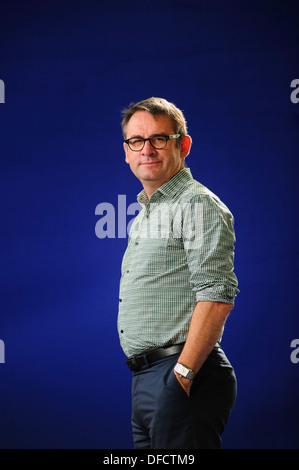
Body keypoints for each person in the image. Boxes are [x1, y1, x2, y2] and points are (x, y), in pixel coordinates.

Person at [118, 97, 239, 449]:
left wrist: (182, 375)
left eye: (159, 139)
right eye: (136, 141)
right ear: (126, 152)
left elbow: (217, 296)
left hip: (183, 373)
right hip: (147, 379)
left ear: (183, 145)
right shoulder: (146, 213)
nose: (147, 149)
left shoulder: (196, 203)